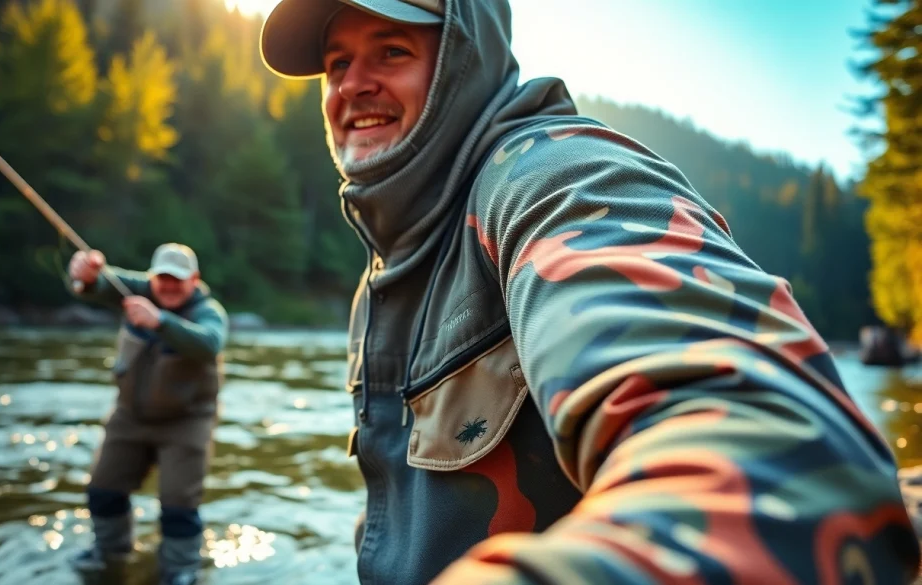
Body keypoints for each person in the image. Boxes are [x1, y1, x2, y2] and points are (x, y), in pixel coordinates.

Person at [259, 0, 922, 583]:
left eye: (392, 50)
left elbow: (784, 466)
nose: (352, 85)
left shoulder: (551, 178)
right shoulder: (387, 274)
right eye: (335, 62)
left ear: (467, 58)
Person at [64, 243, 228, 585]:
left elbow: (210, 342)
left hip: (187, 422)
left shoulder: (208, 311)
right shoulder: (139, 288)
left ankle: (180, 570)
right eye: (162, 279)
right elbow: (97, 285)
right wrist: (84, 275)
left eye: (178, 281)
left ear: (195, 280)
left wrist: (161, 321)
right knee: (103, 490)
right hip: (129, 416)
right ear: (151, 277)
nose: (168, 287)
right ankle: (109, 554)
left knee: (178, 504)